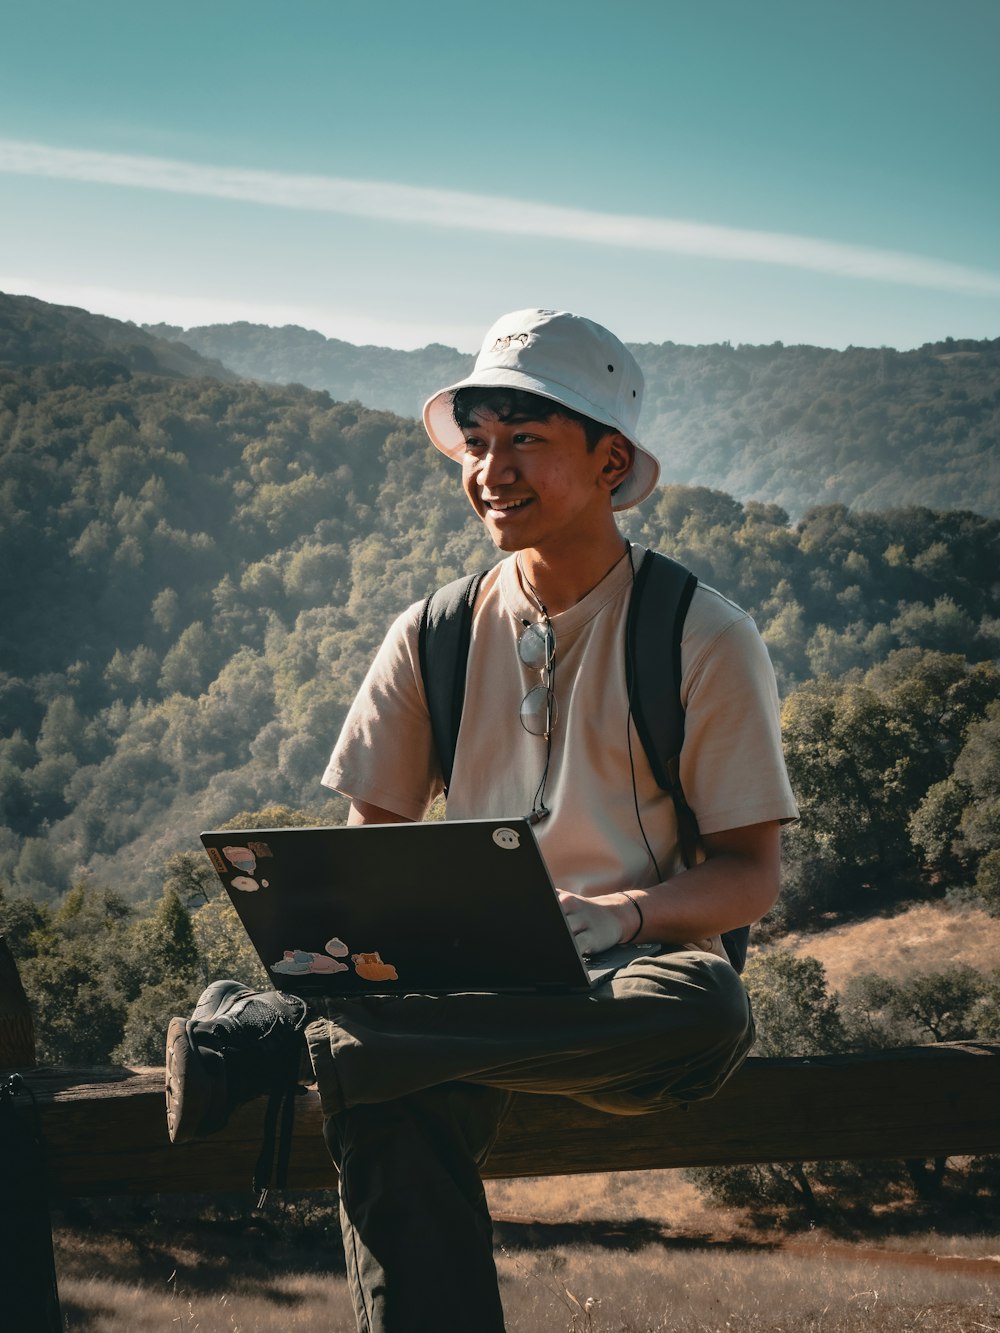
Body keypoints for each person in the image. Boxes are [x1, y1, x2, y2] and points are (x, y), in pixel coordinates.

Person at [166, 307, 798, 1333]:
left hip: (627, 977)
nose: (488, 470)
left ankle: (294, 1038)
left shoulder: (701, 634)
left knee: (707, 1009)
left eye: (524, 441)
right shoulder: (433, 633)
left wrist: (620, 916)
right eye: (477, 443)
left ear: (608, 461)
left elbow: (748, 875)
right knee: (392, 1086)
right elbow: (372, 857)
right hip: (453, 985)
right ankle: (352, 1038)